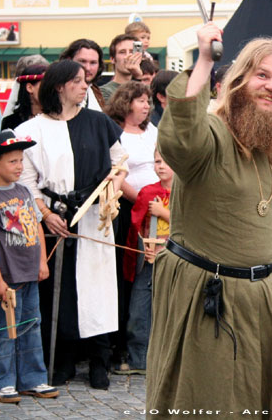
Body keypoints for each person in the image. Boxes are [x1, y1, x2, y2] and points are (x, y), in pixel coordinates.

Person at [146, 23, 272, 417]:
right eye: (261, 75)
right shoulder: (212, 134)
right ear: (238, 79)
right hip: (205, 300)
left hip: (259, 302)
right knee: (206, 403)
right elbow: (181, 135)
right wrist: (202, 60)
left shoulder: (266, 147)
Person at [15, 59, 128, 390]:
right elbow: (27, 181)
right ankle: (62, 358)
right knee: (59, 292)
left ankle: (99, 361)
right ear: (59, 86)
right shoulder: (31, 130)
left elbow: (119, 165)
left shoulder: (98, 123)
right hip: (55, 221)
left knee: (99, 289)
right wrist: (46, 215)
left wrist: (109, 196)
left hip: (95, 220)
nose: (85, 85)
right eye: (78, 81)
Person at [0, 130, 59, 403]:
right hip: (7, 278)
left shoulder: (24, 191)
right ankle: (0, 381)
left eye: (21, 160)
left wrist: (42, 261)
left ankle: (33, 379)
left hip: (30, 273)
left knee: (32, 325)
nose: (19, 166)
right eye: (12, 161)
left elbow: (38, 229)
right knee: (3, 329)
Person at [106, 80, 159, 366]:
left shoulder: (151, 130)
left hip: (157, 208)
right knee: (129, 272)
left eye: (148, 101)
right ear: (127, 102)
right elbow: (116, 171)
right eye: (140, 100)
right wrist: (140, 198)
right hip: (129, 208)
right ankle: (123, 344)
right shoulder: (115, 131)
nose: (146, 105)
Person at [115, 150, 173, 375]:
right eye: (158, 161)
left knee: (170, 310)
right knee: (140, 310)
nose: (161, 166)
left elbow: (191, 225)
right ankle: (139, 358)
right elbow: (137, 228)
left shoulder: (186, 193)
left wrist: (163, 213)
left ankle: (169, 359)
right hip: (148, 263)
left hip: (174, 263)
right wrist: (144, 250)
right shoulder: (148, 193)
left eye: (166, 161)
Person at [60, 39, 106, 111]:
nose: (87, 68)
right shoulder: (58, 91)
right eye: (82, 61)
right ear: (68, 60)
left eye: (93, 63)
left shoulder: (96, 92)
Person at [0, 64, 47, 131]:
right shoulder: (11, 123)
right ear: (29, 88)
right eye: (45, 85)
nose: (50, 90)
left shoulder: (58, 120)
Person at [100, 34, 144, 104]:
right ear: (112, 59)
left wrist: (138, 78)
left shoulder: (144, 86)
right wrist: (137, 78)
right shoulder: (104, 91)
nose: (127, 56)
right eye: (122, 52)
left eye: (132, 52)